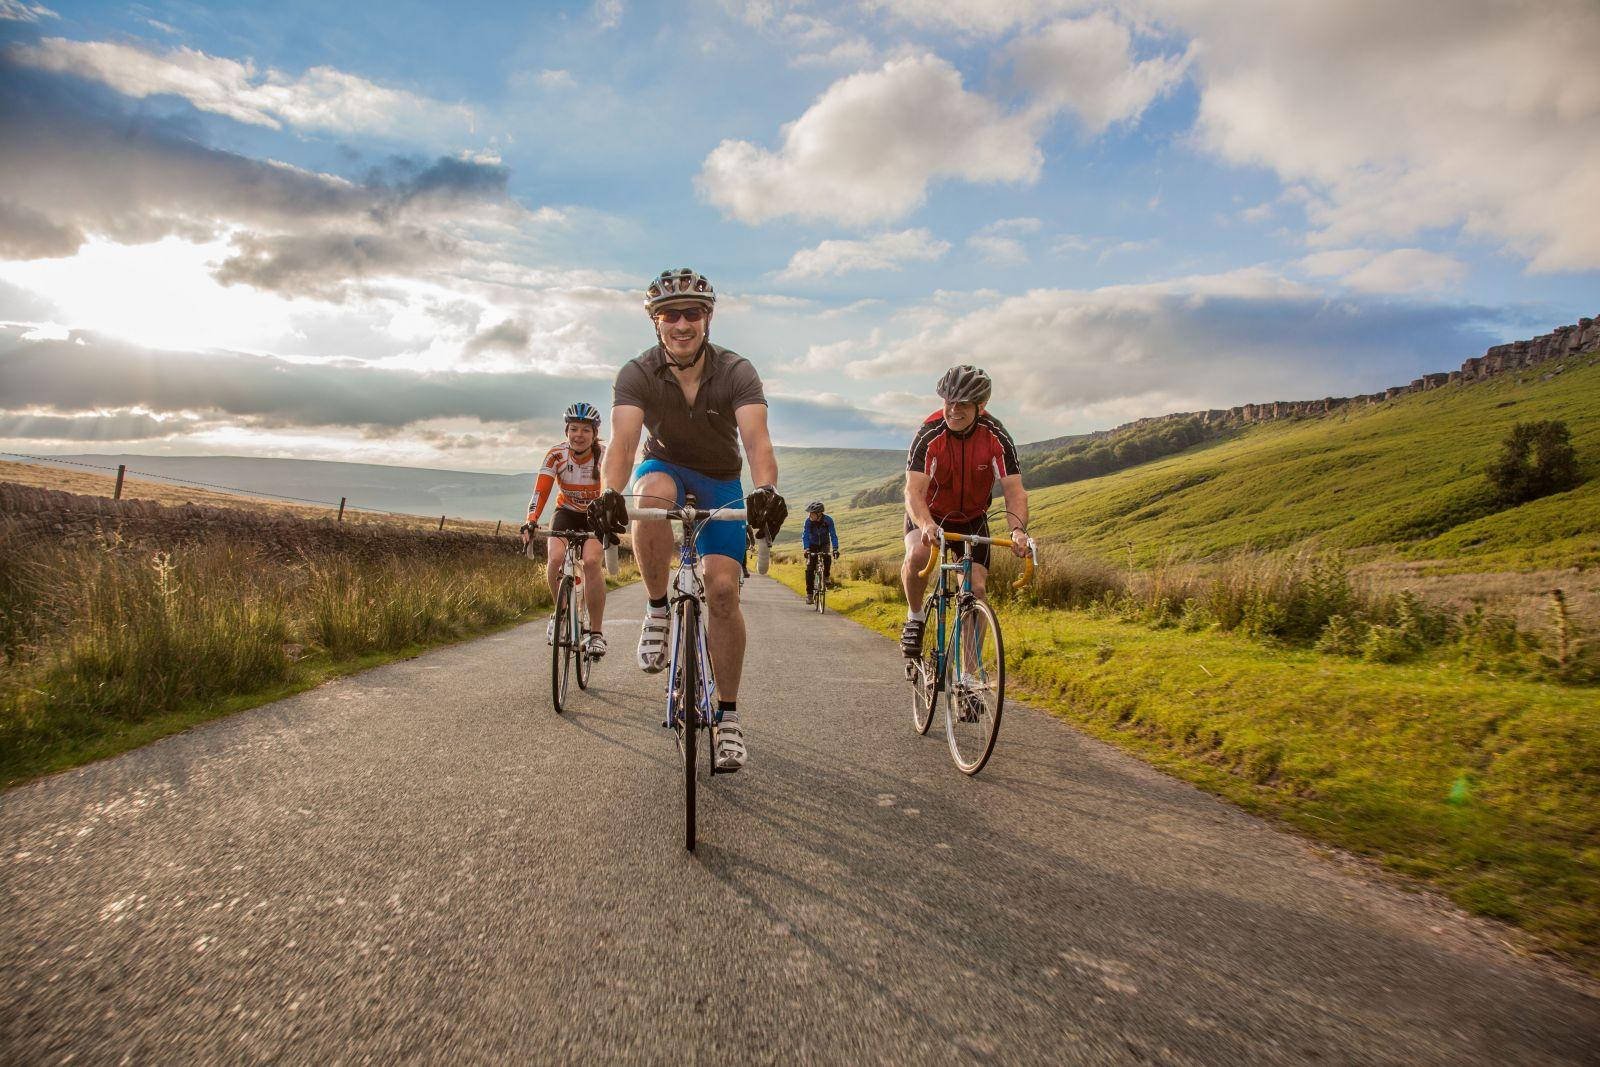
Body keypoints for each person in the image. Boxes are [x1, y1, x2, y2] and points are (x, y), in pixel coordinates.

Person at [589, 268, 787, 772]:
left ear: (708, 318)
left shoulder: (737, 370)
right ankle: (658, 609)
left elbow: (757, 440)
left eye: (692, 313)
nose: (682, 323)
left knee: (722, 590)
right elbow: (623, 442)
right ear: (656, 322)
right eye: (670, 314)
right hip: (665, 467)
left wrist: (765, 490)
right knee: (650, 493)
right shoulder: (637, 372)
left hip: (722, 478)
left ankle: (728, 718)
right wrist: (611, 493)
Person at [899, 365, 1031, 658]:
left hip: (972, 518)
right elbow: (913, 491)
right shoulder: (929, 434)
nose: (953, 410)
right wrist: (926, 525)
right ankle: (916, 616)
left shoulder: (996, 436)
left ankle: (969, 678)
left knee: (976, 591)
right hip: (929, 513)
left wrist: (1018, 530)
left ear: (981, 405)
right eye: (949, 402)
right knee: (917, 556)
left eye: (962, 404)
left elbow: (1014, 490)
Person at [522, 402, 608, 657]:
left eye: (585, 430)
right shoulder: (556, 455)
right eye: (573, 429)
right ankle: (559, 615)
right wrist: (531, 519)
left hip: (594, 515)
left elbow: (610, 488)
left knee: (592, 562)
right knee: (555, 558)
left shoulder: (603, 455)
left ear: (594, 434)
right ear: (566, 431)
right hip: (566, 514)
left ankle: (596, 634)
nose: (578, 435)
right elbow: (541, 490)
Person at [801, 501, 839, 604]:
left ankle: (826, 576)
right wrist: (806, 549)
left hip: (824, 544)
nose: (810, 515)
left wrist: (835, 548)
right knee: (810, 569)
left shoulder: (828, 520)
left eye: (812, 513)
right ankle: (809, 595)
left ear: (819, 514)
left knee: (827, 557)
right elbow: (805, 536)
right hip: (812, 545)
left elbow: (833, 535)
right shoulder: (808, 522)